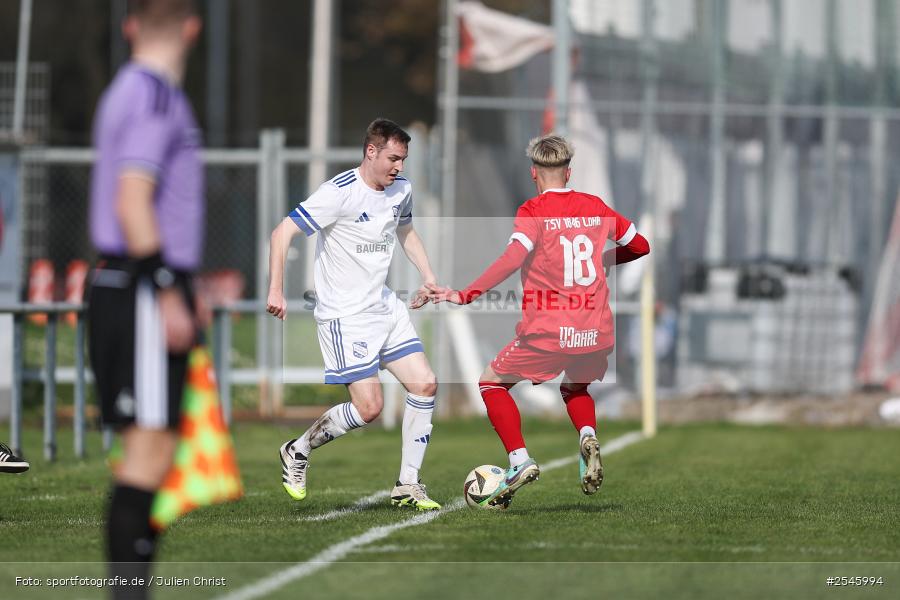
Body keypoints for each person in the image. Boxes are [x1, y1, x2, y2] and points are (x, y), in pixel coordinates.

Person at [427, 134, 650, 507]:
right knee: (575, 390)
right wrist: (604, 261)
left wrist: (464, 294)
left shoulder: (533, 212)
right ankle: (588, 434)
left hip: (551, 330)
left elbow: (513, 258)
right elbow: (640, 245)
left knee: (491, 383)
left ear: (534, 173)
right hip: (596, 331)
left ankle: (519, 461)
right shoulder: (594, 205)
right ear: (569, 172)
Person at [86, 0, 203, 595]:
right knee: (147, 455)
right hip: (139, 283)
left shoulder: (124, 90)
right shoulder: (155, 95)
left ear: (130, 25)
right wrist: (166, 289)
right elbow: (133, 199)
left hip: (132, 279)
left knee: (152, 453)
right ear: (191, 28)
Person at [267, 118, 442, 511]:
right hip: (345, 316)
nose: (399, 167)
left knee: (425, 384)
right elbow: (282, 232)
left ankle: (407, 485)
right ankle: (298, 449)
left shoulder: (401, 190)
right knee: (370, 408)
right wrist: (276, 288)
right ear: (371, 151)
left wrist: (428, 276)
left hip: (384, 307)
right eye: (393, 158)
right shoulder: (339, 193)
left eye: (404, 159)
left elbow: (406, 231)